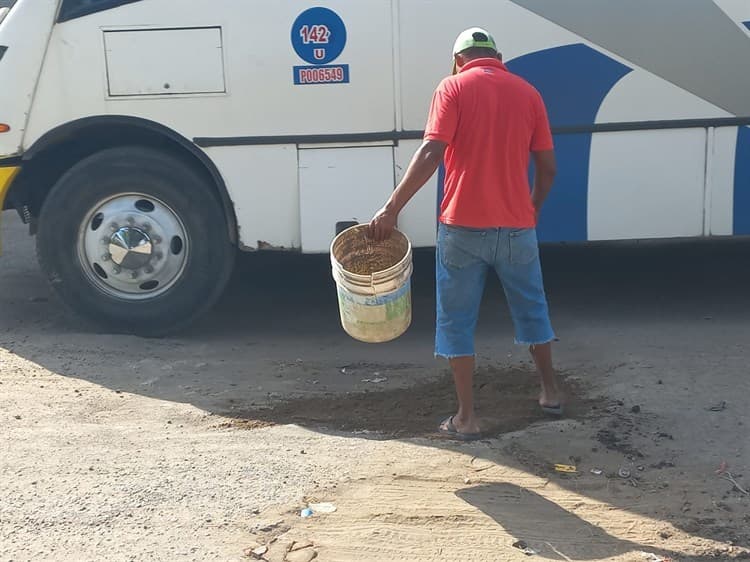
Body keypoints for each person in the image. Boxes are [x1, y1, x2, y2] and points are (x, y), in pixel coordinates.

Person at [368, 27, 561, 440]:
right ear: (499, 56)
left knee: (456, 322)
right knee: (533, 311)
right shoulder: (528, 93)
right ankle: (550, 393)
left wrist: (391, 207)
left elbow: (432, 151)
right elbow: (548, 168)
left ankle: (466, 418)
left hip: (462, 228)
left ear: (459, 60)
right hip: (516, 229)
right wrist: (533, 207)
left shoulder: (451, 88)